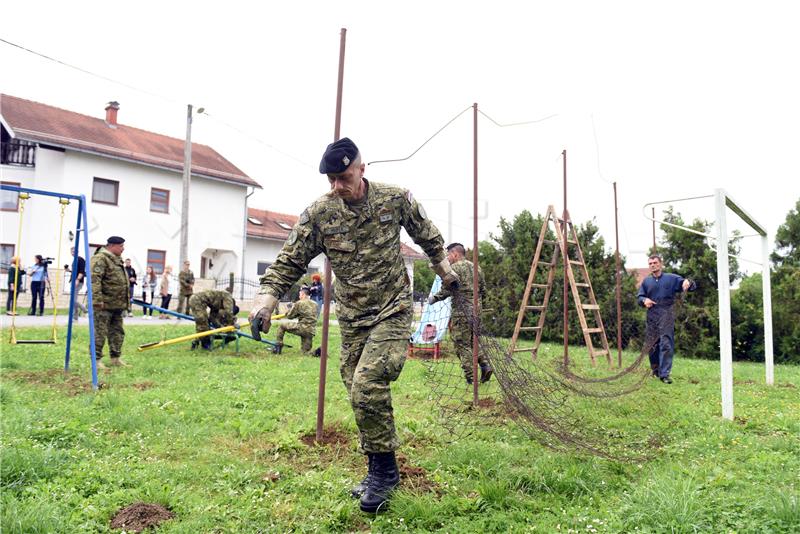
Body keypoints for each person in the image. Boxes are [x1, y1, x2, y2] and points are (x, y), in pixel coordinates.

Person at [249, 137, 457, 513]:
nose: (336, 186)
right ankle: (376, 467)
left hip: (392, 309)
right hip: (352, 317)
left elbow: (426, 233)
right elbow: (290, 260)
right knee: (356, 391)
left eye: (343, 176)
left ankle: (385, 474)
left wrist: (445, 270)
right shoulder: (320, 213)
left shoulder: (395, 199)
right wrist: (265, 300)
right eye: (331, 179)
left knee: (367, 383)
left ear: (362, 168)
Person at [428, 242, 491, 384]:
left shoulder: (453, 269)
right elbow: (484, 290)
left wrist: (433, 298)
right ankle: (485, 365)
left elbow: (446, 290)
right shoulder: (477, 268)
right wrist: (483, 307)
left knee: (462, 344)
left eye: (448, 255)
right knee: (473, 340)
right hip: (477, 310)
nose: (447, 258)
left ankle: (471, 378)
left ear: (455, 254)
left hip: (461, 312)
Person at [637, 254, 696, 384]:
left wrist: (688, 282)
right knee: (652, 344)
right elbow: (639, 297)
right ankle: (655, 370)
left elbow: (688, 284)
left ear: (660, 264)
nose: (652, 265)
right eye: (650, 263)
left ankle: (664, 375)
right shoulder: (646, 282)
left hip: (666, 313)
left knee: (666, 342)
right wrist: (644, 300)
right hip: (652, 314)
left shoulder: (671, 278)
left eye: (655, 262)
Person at [90, 236, 131, 369]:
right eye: (121, 246)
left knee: (117, 332)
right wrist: (97, 300)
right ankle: (96, 361)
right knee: (100, 333)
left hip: (117, 305)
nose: (123, 248)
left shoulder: (116, 259)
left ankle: (115, 358)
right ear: (112, 246)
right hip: (104, 304)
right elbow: (95, 280)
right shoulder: (100, 258)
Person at [273, 286, 318, 354]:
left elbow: (290, 316)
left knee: (282, 326)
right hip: (311, 331)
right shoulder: (315, 304)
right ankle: (318, 352)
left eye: (300, 294)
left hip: (302, 328)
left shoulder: (299, 303)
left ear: (303, 294)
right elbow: (307, 314)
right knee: (305, 352)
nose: (299, 296)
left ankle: (278, 347)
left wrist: (289, 310)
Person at [65, 247, 87, 320]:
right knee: (73, 300)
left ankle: (84, 308)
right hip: (73, 280)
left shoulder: (81, 259)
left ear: (78, 251)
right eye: (72, 252)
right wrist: (68, 270)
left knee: (73, 300)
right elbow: (75, 271)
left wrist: (77, 279)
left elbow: (81, 271)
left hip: (78, 281)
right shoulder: (74, 260)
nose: (73, 253)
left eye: (74, 251)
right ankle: (75, 317)